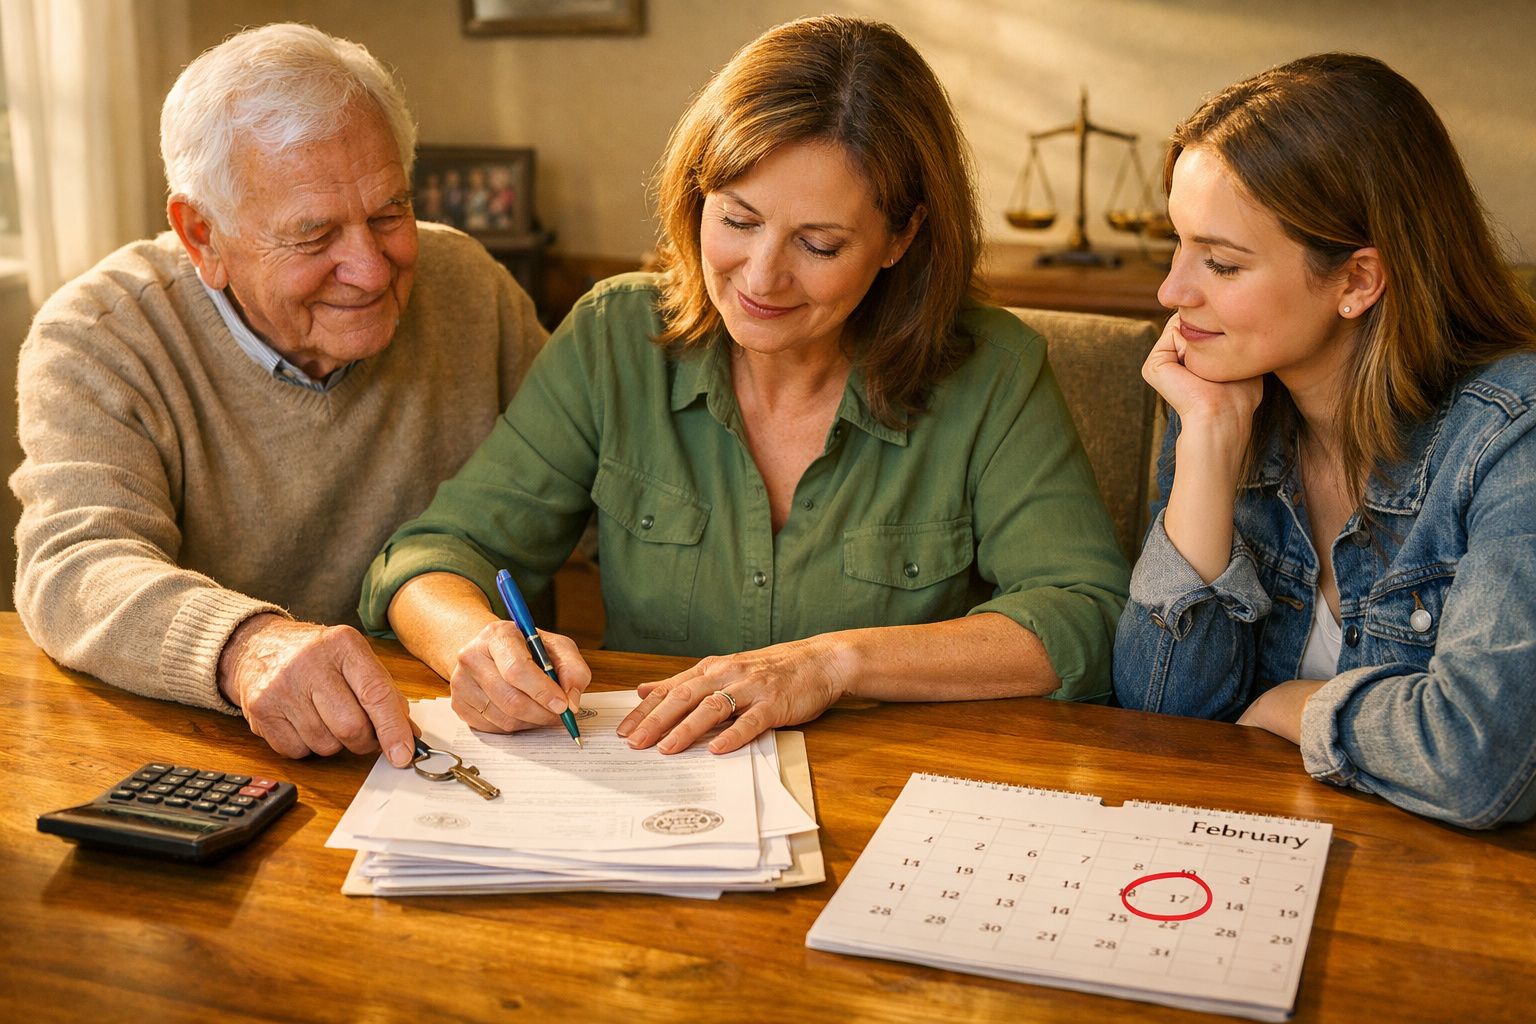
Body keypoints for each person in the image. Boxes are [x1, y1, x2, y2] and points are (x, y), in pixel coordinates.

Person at [360, 16, 1128, 755]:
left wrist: (831, 664)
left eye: (819, 244)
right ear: (697, 196)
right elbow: (433, 555)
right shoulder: (613, 337)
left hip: (886, 800)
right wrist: (473, 642)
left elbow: (1082, 615)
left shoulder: (994, 370)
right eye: (737, 220)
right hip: (654, 798)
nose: (761, 278)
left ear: (902, 236)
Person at [11, 24, 546, 768]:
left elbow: (601, 496)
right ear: (203, 236)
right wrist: (245, 647)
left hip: (486, 743)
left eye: (389, 211)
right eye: (313, 234)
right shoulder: (102, 334)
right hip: (228, 752)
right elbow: (73, 567)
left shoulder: (470, 286)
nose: (368, 267)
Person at [1112, 53, 1536, 828]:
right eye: (1176, 245)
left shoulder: (1511, 438)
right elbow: (1158, 718)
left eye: (1222, 262)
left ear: (1356, 281)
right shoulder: (1221, 398)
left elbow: (1480, 759)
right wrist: (1208, 444)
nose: (1173, 292)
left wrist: (1293, 705)